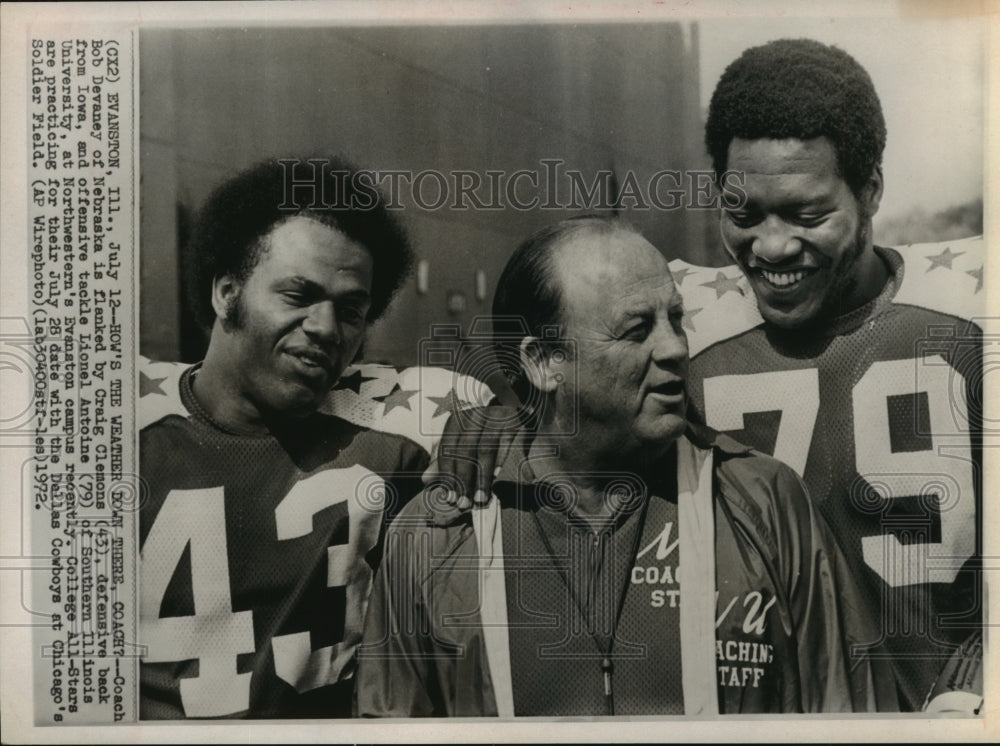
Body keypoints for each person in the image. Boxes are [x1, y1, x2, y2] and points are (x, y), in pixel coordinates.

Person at [357, 216, 891, 716]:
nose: (675, 348)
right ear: (543, 362)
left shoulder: (765, 502)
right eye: (637, 330)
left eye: (675, 319)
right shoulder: (436, 535)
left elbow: (851, 717)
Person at [667, 38, 983, 712]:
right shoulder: (682, 334)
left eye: (809, 214)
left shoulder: (967, 326)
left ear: (870, 189)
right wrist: (490, 433)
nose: (773, 246)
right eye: (743, 214)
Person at [138, 157, 493, 718]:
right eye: (299, 295)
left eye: (351, 309)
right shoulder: (116, 425)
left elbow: (520, 419)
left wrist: (490, 423)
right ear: (226, 292)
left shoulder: (394, 423)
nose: (327, 328)